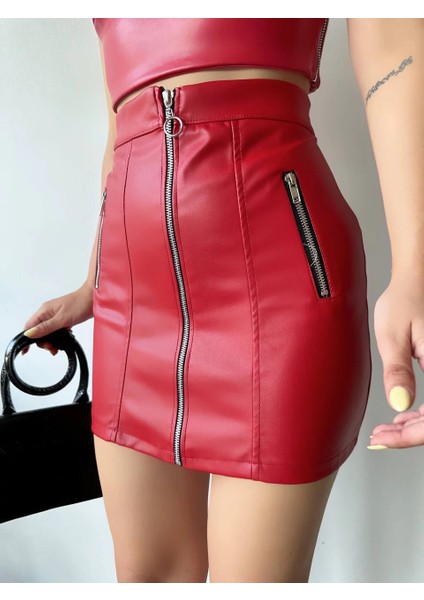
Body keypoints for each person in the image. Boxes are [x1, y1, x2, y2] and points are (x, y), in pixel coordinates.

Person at [19, 18, 424, 583]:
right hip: (131, 309)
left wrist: (416, 270)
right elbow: (123, 118)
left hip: (279, 291)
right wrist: (96, 281)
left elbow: (394, 51)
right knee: (149, 577)